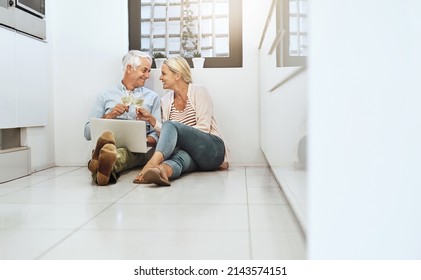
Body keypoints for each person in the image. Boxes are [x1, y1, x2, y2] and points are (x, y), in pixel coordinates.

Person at [133, 56, 229, 186]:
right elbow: (168, 136)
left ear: (177, 75)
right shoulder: (165, 101)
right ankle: (161, 171)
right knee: (179, 158)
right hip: (192, 156)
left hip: (211, 150)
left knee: (171, 125)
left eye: (164, 73)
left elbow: (204, 128)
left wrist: (176, 132)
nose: (160, 78)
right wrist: (151, 119)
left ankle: (151, 164)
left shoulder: (199, 91)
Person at [84, 50, 161, 185]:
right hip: (109, 144)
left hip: (137, 151)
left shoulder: (152, 97)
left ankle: (99, 161)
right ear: (130, 68)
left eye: (149, 71)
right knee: (110, 147)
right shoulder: (105, 95)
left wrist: (145, 141)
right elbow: (87, 133)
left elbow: (158, 133)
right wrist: (110, 115)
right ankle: (105, 169)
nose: (148, 75)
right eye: (145, 70)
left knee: (123, 153)